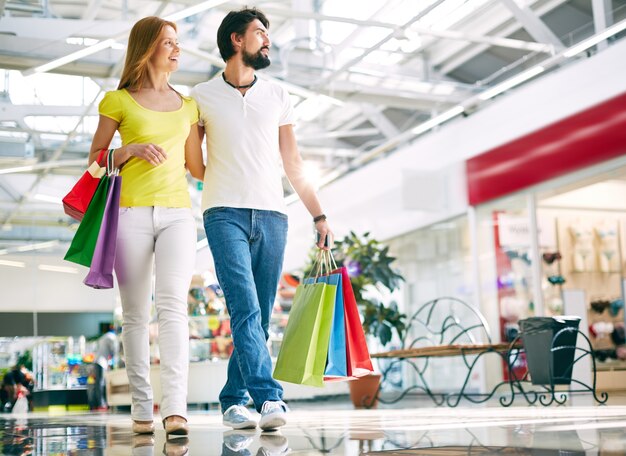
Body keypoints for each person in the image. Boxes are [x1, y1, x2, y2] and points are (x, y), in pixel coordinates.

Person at [190, 7, 333, 431]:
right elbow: (194, 167)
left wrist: (319, 215)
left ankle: (233, 399)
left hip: (273, 216)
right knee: (246, 308)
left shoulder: (278, 95)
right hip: (223, 214)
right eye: (260, 33)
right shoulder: (200, 95)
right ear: (236, 40)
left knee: (258, 314)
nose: (267, 40)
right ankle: (270, 399)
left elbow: (293, 162)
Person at [89, 16, 204, 436]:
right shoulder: (117, 101)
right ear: (147, 49)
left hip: (177, 214)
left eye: (177, 42)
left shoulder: (189, 105)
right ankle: (142, 409)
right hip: (129, 215)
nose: (177, 49)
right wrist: (127, 150)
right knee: (135, 315)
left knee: (173, 306)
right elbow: (94, 162)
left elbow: (197, 168)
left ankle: (176, 410)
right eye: (168, 43)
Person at [88, 324, 118, 411]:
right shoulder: (112, 337)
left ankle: (98, 404)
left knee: (98, 383)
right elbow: (114, 351)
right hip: (101, 362)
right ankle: (102, 404)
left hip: (97, 361)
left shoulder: (103, 337)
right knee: (100, 383)